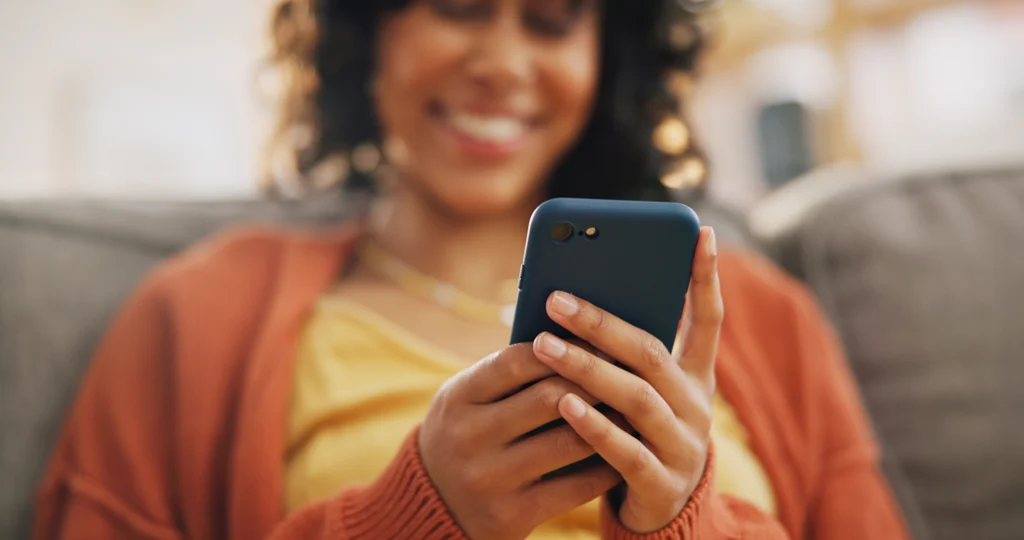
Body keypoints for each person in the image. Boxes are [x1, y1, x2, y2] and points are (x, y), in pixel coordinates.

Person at [33, 1, 909, 539]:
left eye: (552, 20)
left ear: (610, 56)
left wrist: (685, 520)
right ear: (366, 30)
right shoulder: (197, 313)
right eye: (457, 5)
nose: (500, 64)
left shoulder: (764, 316)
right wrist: (417, 517)